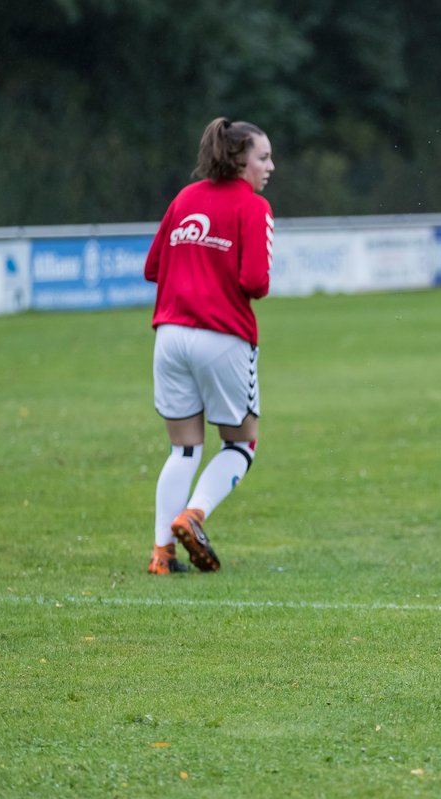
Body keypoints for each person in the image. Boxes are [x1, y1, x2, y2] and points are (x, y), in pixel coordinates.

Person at [143, 117, 276, 573]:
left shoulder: (184, 198)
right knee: (242, 443)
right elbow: (255, 282)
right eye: (263, 157)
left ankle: (162, 554)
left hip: (170, 336)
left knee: (183, 448)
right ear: (240, 161)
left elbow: (153, 266)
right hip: (222, 336)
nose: (270, 166)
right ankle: (193, 515)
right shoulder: (253, 207)